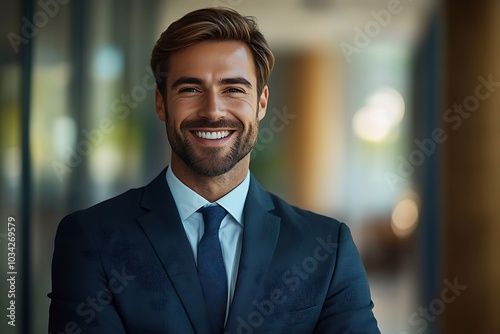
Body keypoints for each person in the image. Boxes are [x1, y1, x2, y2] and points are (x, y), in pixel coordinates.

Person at [48, 7, 380, 334]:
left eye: (233, 89)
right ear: (161, 103)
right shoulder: (91, 238)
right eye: (190, 89)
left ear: (261, 103)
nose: (212, 111)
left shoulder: (326, 247)